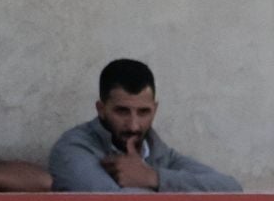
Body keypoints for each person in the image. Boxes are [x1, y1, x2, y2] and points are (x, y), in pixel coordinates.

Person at [48, 58, 242, 193]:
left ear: (155, 109)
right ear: (101, 109)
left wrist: (153, 178)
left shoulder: (160, 154)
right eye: (122, 111)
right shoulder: (74, 149)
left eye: (143, 112)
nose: (133, 126)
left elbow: (230, 188)